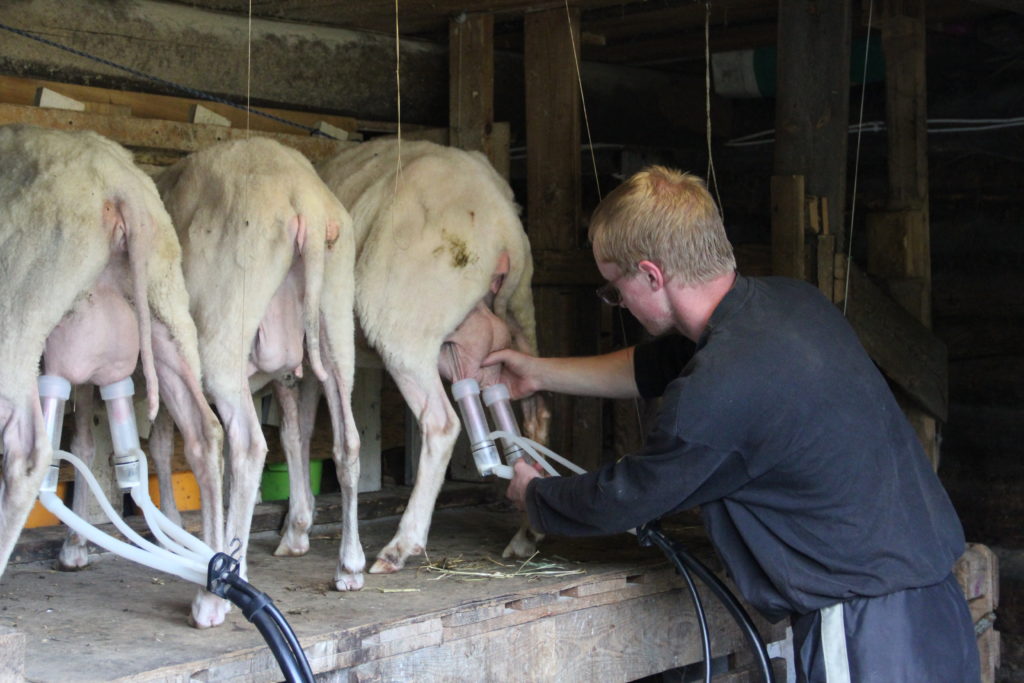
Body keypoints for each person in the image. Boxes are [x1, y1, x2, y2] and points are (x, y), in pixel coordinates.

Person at [487, 166, 980, 682]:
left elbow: (629, 496)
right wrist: (537, 373)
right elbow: (656, 365)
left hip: (867, 630)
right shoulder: (793, 304)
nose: (620, 302)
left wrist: (538, 496)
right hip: (933, 604)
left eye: (615, 288)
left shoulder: (720, 391)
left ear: (652, 276)